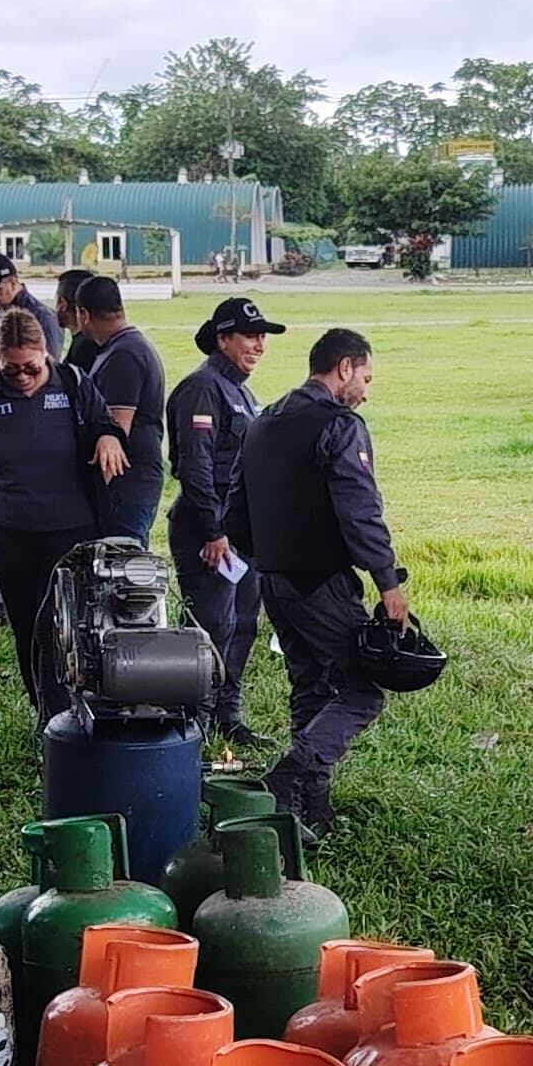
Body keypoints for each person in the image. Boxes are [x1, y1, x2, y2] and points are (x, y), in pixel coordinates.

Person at [234, 325, 409, 837]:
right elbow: (361, 514)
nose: (366, 392)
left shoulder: (263, 421)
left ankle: (311, 811)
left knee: (310, 686)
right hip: (320, 581)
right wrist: (388, 582)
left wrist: (270, 554)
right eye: (366, 378)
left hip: (273, 579)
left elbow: (233, 510)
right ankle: (290, 776)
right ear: (345, 368)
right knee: (361, 690)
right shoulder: (339, 425)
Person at [0, 302, 109, 715]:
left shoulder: (73, 384)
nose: (21, 377)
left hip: (70, 530)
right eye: (11, 369)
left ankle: (75, 709)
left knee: (63, 627)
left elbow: (104, 425)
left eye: (30, 368)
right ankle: (46, 713)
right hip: (10, 530)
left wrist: (109, 438)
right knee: (26, 627)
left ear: (47, 357)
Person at [165, 294, 279, 759]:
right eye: (250, 336)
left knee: (243, 624)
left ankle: (226, 716)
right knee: (208, 628)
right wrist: (213, 532)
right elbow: (195, 467)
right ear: (222, 338)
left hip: (242, 532)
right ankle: (190, 719)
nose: (259, 345)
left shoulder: (241, 391)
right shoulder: (202, 389)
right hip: (206, 532)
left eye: (262, 337)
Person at [61, 271, 166, 543]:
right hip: (133, 480)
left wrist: (91, 494)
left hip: (127, 482)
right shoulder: (122, 347)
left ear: (83, 314)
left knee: (120, 564)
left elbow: (117, 433)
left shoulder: (123, 355)